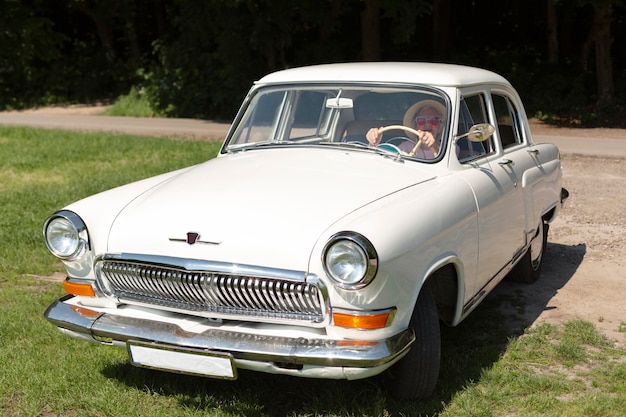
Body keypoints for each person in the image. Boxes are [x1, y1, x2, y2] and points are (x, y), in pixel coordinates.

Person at [365, 99, 446, 159]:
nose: (428, 124)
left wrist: (434, 147)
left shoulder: (447, 148)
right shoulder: (406, 146)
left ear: (440, 128)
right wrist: (373, 143)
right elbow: (384, 161)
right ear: (415, 126)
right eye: (421, 120)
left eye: (434, 120)